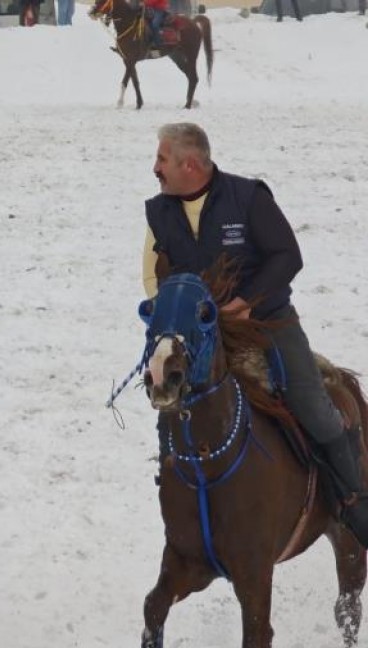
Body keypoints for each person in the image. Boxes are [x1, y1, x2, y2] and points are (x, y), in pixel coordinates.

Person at [141, 122, 368, 548]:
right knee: (167, 398)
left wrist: (246, 300)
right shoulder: (159, 212)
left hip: (267, 322)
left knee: (313, 406)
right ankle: (175, 488)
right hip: (199, 333)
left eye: (161, 160)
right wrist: (173, 320)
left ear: (189, 164)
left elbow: (288, 256)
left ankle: (354, 498)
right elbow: (153, 278)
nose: (156, 168)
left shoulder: (247, 199)